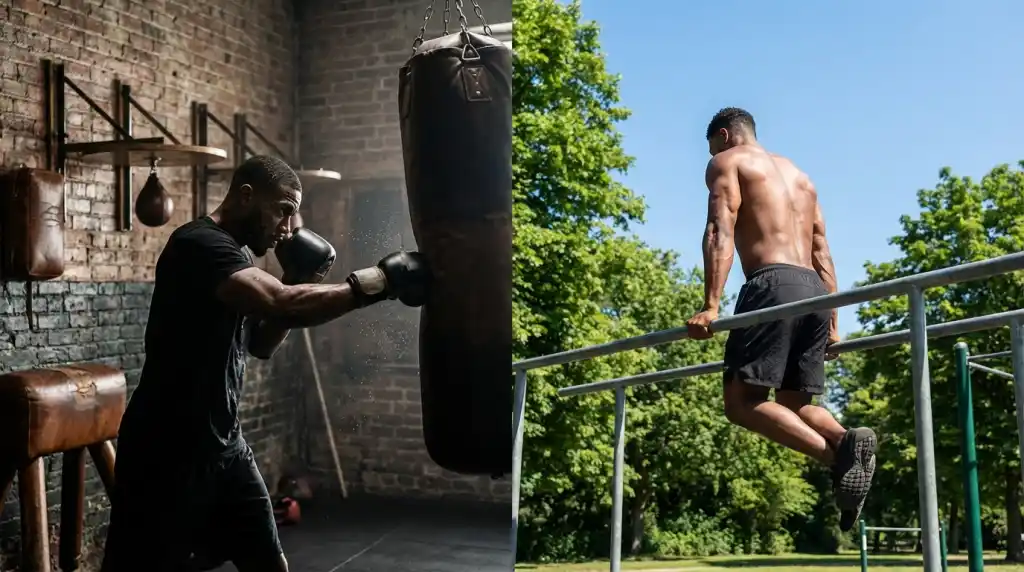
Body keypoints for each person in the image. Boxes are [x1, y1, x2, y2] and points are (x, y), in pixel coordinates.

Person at [101, 155, 428, 572]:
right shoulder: (200, 245)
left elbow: (260, 343)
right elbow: (278, 303)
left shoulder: (238, 257)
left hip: (225, 445)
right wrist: (380, 282)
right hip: (166, 453)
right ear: (246, 196)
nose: (288, 228)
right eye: (284, 210)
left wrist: (295, 279)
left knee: (270, 563)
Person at [685, 108, 876, 530]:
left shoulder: (728, 162)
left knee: (742, 403)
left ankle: (840, 455)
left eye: (713, 146)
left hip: (772, 284)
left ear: (725, 136)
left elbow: (720, 228)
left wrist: (711, 305)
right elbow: (822, 249)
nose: (712, 154)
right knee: (794, 404)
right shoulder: (800, 177)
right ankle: (846, 440)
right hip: (814, 291)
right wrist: (833, 320)